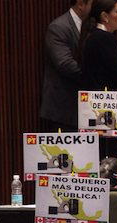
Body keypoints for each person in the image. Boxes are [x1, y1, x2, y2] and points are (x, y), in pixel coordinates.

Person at [78, 0, 117, 158]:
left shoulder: (91, 37)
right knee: (110, 159)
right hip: (110, 112)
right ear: (105, 16)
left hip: (95, 111)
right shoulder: (105, 39)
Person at [40, 0, 94, 132]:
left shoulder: (92, 26)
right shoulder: (58, 27)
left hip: (87, 108)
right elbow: (64, 64)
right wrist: (95, 74)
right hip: (64, 109)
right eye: (93, 4)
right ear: (81, 4)